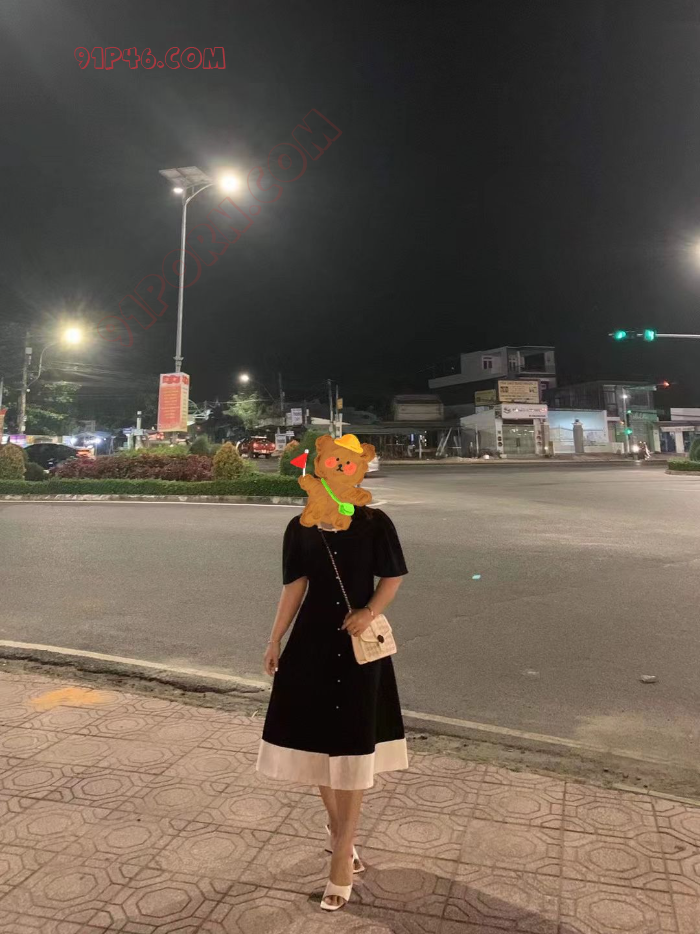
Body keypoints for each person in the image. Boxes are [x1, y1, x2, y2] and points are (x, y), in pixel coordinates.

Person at [257, 443, 408, 912]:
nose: (339, 469)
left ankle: (341, 855)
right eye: (331, 463)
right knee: (319, 743)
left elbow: (393, 578)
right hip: (311, 646)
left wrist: (369, 612)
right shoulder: (300, 526)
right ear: (319, 469)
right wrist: (274, 639)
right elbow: (294, 587)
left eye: (348, 464)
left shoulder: (374, 522)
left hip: (358, 650)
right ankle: (340, 831)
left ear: (356, 469)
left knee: (353, 746)